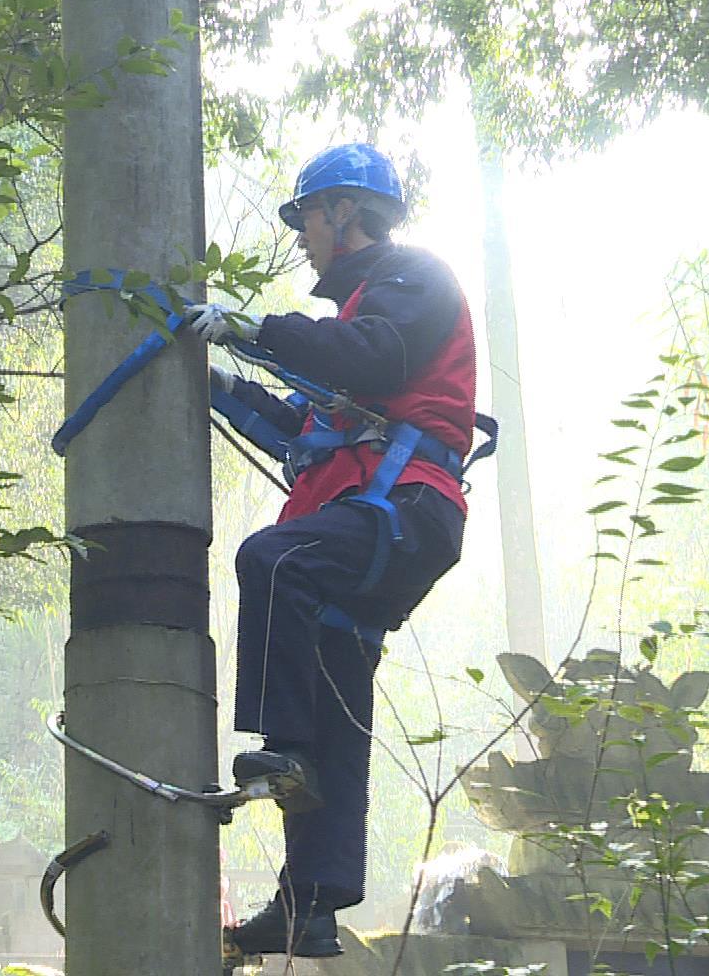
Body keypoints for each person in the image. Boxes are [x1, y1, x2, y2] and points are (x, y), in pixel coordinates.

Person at [185, 143, 478, 958]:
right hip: (387, 520)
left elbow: (372, 356)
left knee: (272, 559)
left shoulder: (415, 280)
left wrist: (259, 330)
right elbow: (300, 427)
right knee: (337, 697)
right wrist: (217, 383)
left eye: (307, 216)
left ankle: (280, 751)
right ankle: (309, 904)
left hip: (406, 510)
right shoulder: (359, 325)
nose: (302, 234)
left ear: (346, 211)